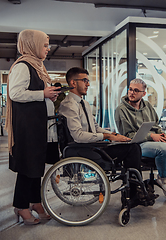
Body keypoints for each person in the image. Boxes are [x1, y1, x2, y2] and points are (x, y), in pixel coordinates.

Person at [58, 67, 149, 205]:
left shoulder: (84, 103)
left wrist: (112, 134)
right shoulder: (69, 105)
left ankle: (135, 190)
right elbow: (78, 136)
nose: (88, 84)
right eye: (85, 80)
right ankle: (135, 193)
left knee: (131, 146)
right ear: (73, 83)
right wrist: (106, 137)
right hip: (83, 149)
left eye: (88, 81)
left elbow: (94, 127)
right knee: (132, 149)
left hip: (92, 146)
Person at [5, 29, 61, 225]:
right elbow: (15, 94)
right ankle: (21, 206)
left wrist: (50, 95)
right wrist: (43, 94)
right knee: (27, 168)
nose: (48, 48)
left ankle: (35, 202)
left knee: (35, 166)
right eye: (45, 45)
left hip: (38, 125)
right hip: (28, 127)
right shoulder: (23, 66)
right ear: (32, 45)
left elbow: (37, 92)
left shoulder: (37, 66)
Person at [115, 78, 166, 196]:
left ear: (143, 93)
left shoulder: (147, 105)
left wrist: (163, 135)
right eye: (130, 89)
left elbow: (155, 125)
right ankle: (164, 178)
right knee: (163, 148)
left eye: (136, 90)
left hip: (153, 140)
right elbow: (128, 136)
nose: (131, 93)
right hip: (135, 146)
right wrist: (152, 136)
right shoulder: (121, 110)